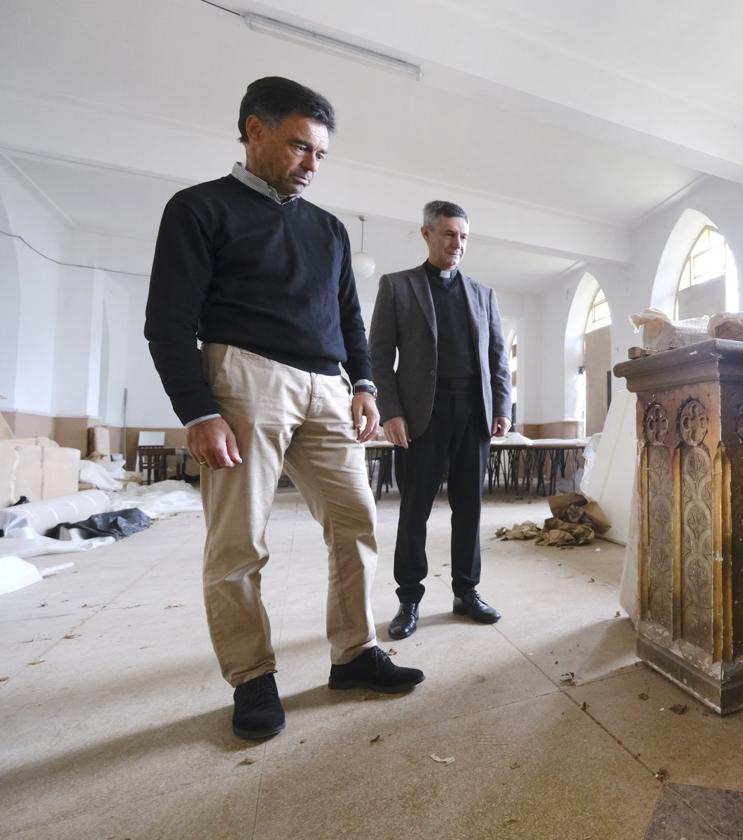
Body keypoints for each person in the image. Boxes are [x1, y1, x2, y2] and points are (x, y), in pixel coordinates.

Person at [145, 76, 424, 741]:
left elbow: (351, 320)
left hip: (327, 386)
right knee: (238, 541)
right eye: (300, 147)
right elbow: (167, 321)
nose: (311, 164)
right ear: (255, 130)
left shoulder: (328, 230)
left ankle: (354, 654)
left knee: (356, 522)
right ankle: (253, 676)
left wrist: (363, 386)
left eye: (321, 154)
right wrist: (197, 409)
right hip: (244, 376)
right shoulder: (198, 208)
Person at [369, 200, 512, 640]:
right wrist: (390, 412)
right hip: (419, 417)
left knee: (469, 509)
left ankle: (466, 592)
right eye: (449, 234)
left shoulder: (483, 294)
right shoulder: (397, 287)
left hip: (473, 413)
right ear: (427, 234)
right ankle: (408, 599)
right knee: (414, 511)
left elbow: (498, 358)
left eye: (464, 236)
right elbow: (377, 356)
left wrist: (503, 407)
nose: (458, 244)